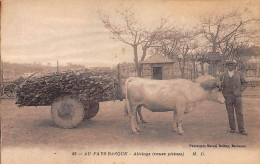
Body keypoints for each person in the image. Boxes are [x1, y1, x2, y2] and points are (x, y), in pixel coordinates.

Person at [219, 60, 248, 135]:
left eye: (232, 65)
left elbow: (245, 83)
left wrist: (239, 90)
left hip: (237, 97)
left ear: (235, 66)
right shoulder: (223, 75)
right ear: (226, 66)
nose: (230, 66)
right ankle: (232, 128)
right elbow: (218, 84)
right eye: (228, 65)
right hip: (228, 97)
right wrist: (222, 90)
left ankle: (241, 129)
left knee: (239, 113)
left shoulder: (239, 73)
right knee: (230, 113)